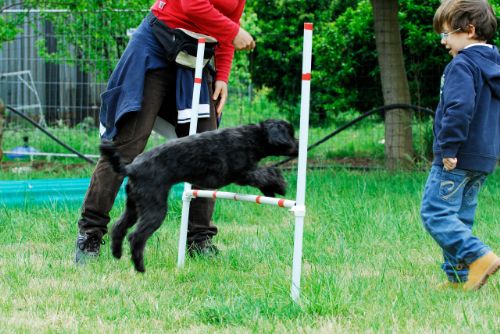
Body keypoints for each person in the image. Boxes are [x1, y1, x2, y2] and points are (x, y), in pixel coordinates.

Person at [75, 0, 255, 263]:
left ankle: (199, 239)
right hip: (155, 48)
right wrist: (233, 32)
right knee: (127, 147)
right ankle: (90, 234)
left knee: (211, 151)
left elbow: (230, 25)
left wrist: (222, 76)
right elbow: (193, 5)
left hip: (193, 59)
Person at [420, 0, 499, 291]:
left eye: (446, 34)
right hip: (483, 158)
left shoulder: (462, 64)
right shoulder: (494, 64)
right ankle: (459, 278)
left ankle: (480, 257)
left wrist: (449, 148)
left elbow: (459, 108)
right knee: (459, 219)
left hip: (457, 156)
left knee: (436, 213)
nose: (443, 42)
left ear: (468, 30)